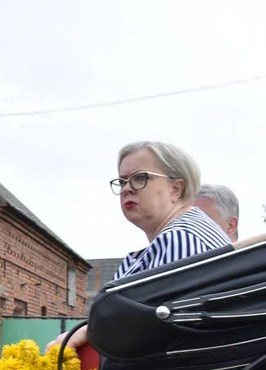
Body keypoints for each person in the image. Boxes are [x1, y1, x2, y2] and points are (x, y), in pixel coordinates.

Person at [52, 141, 230, 352]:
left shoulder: (182, 238)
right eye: (122, 181)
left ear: (176, 188)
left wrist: (87, 332)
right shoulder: (180, 235)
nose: (127, 188)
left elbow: (160, 332)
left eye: (140, 178)